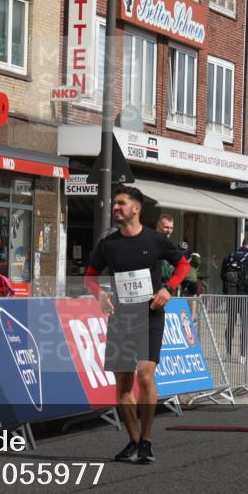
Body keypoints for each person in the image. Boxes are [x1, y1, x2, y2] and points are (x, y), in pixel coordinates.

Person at [84, 186, 189, 465]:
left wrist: (168, 289)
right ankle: (132, 441)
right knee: (123, 383)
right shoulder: (109, 244)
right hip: (122, 316)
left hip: (150, 314)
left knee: (145, 376)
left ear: (136, 209)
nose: (115, 207)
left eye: (121, 203)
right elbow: (90, 278)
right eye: (114, 203)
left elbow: (183, 266)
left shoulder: (155, 240)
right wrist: (101, 294)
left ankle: (147, 440)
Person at [221, 238, 248, 363]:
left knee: (230, 324)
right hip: (246, 297)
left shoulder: (229, 257)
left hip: (231, 296)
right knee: (245, 325)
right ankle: (242, 355)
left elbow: (222, 275)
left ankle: (228, 353)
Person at [156, 215, 175, 283]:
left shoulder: (170, 245)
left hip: (166, 289)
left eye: (171, 228)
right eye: (166, 227)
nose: (169, 231)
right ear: (158, 226)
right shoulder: (151, 242)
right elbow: (164, 273)